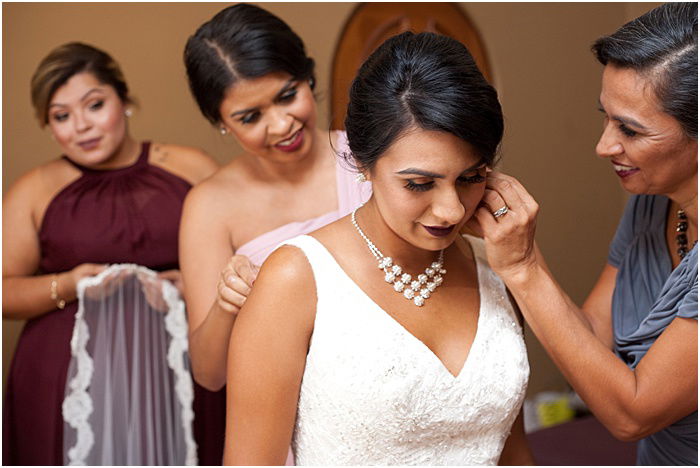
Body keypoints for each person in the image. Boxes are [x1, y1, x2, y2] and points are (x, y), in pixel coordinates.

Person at [223, 31, 532, 465]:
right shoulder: (297, 277)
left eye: (470, 177)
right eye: (419, 183)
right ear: (363, 164)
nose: (450, 211)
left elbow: (511, 450)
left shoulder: (499, 265)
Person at [467, 3, 697, 465]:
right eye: (606, 117)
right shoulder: (652, 203)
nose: (604, 145)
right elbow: (593, 335)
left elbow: (632, 414)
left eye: (630, 130)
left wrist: (523, 268)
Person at [2, 42, 218, 465]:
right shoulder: (34, 189)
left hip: (181, 368)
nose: (81, 126)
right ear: (49, 126)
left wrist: (191, 284)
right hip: (67, 380)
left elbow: (246, 258)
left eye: (94, 105)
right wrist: (71, 283)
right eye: (61, 116)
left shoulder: (189, 167)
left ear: (124, 100)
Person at [180, 4, 370, 462]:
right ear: (221, 124)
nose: (281, 125)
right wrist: (228, 303)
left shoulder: (372, 158)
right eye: (250, 117)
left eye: (287, 96)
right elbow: (209, 372)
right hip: (293, 432)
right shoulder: (209, 206)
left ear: (308, 77)